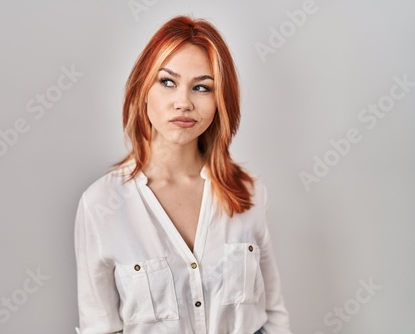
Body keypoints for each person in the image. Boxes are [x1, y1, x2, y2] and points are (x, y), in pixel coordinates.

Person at [74, 15, 292, 334]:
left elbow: (273, 315)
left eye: (202, 87)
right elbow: (99, 327)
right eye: (167, 82)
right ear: (143, 90)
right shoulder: (102, 204)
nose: (183, 103)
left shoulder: (250, 194)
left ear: (220, 101)